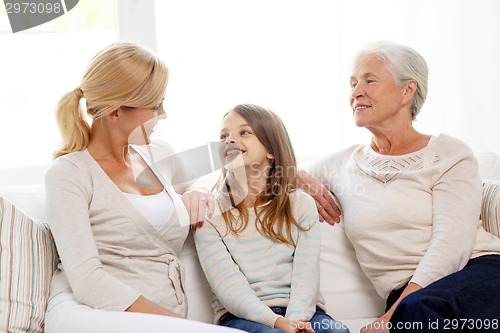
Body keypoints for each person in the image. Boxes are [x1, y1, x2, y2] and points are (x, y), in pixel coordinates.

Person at [298, 41, 500, 333]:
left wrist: (390, 317)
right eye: (353, 83)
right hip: (409, 299)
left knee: (417, 313)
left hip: (475, 274)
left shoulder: (449, 153)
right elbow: (265, 174)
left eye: (370, 80)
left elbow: (451, 245)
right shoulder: (343, 164)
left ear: (408, 90)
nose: (355, 92)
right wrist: (297, 176)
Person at [44, 42, 241, 333]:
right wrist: (173, 323)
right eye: (154, 106)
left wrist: (196, 190)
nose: (163, 114)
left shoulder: (159, 153)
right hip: (89, 313)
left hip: (155, 319)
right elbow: (88, 280)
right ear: (114, 113)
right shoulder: (68, 174)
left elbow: (212, 173)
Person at [193, 104, 350, 333]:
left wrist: (295, 321)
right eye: (223, 136)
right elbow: (229, 287)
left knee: (337, 331)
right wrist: (277, 323)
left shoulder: (299, 204)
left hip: (305, 312)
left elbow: (306, 275)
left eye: (244, 132)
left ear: (271, 151)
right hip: (242, 316)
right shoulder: (209, 213)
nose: (230, 140)